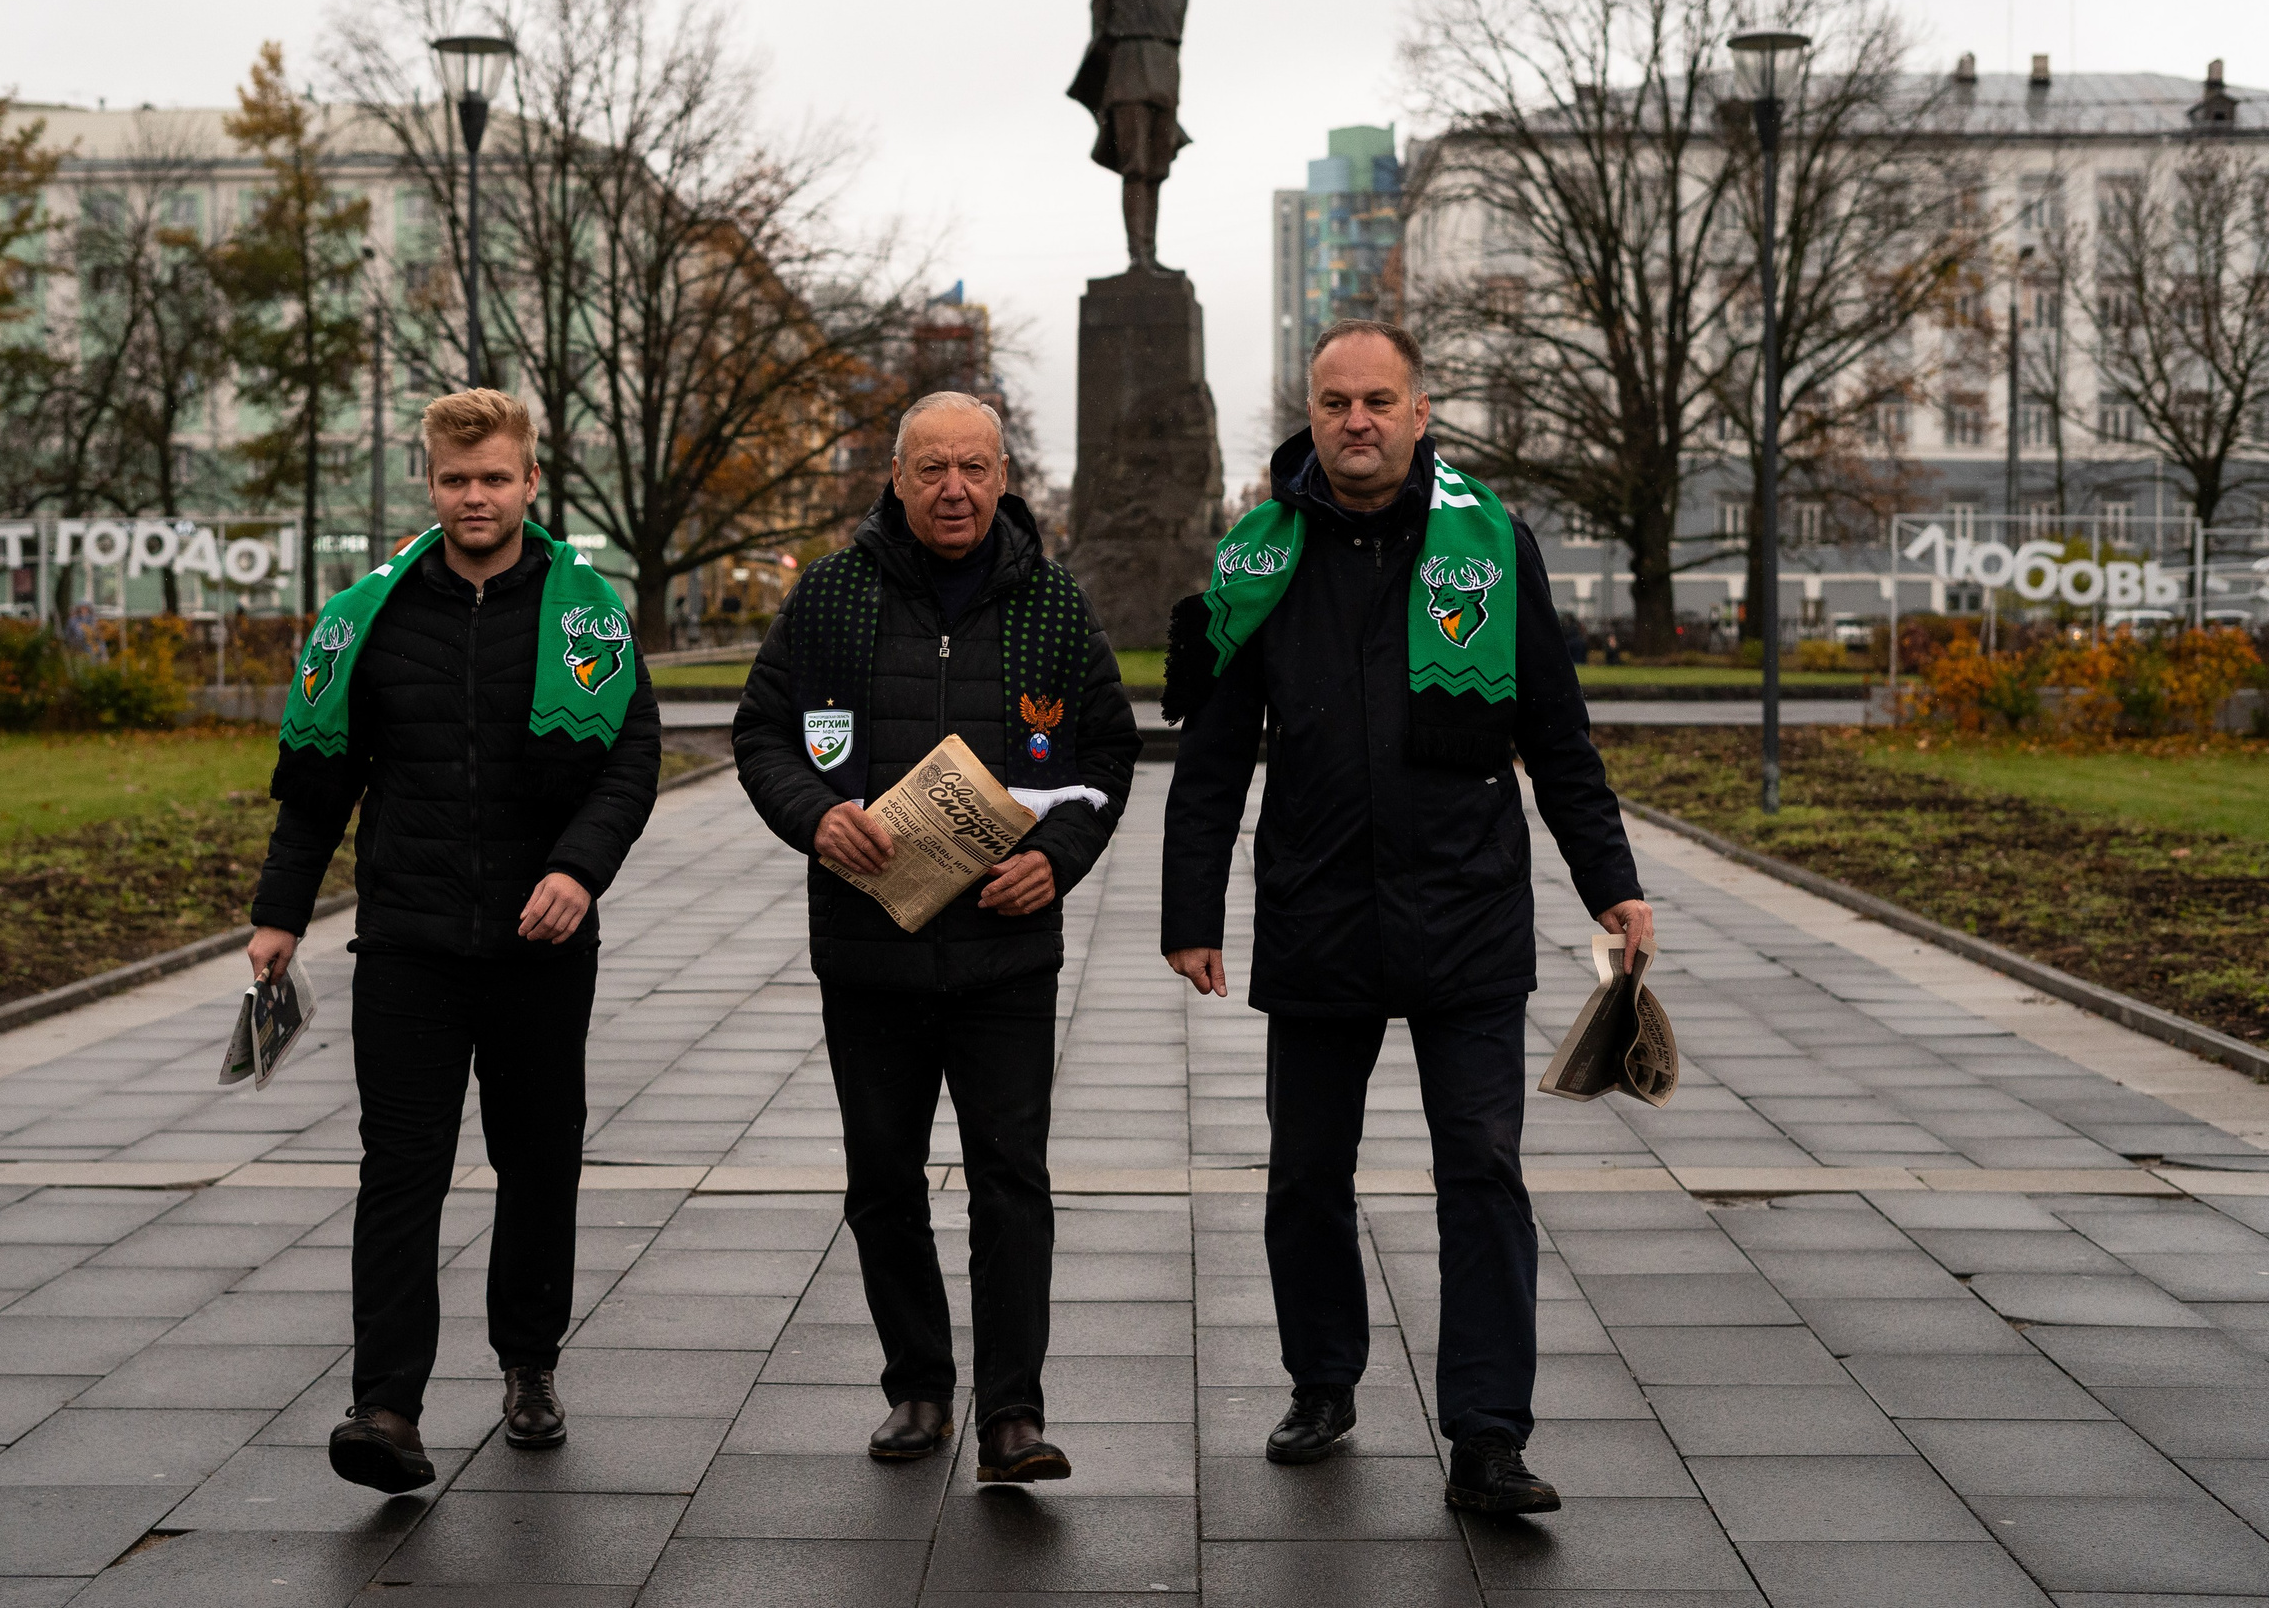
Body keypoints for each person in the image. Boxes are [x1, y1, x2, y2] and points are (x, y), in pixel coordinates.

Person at [1158, 320, 1651, 1517]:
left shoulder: (1491, 543)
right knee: (1305, 1174)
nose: (1357, 421)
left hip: (1466, 912)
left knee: (1481, 1171)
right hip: (1318, 907)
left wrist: (1610, 879)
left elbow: (1555, 732)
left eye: (1380, 400)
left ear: (1421, 412)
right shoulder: (1256, 559)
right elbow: (1214, 754)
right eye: (1335, 402)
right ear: (1312, 414)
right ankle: (1322, 1381)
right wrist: (1190, 909)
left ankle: (1487, 1436)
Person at [245, 388, 662, 1494]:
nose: (474, 497)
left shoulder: (588, 615)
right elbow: (316, 781)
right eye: (453, 479)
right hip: (407, 945)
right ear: (428, 485)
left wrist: (579, 869)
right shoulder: (366, 617)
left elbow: (629, 762)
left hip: (541, 948)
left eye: (494, 478)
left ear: (531, 482)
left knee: (536, 1166)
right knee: (401, 1172)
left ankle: (528, 1364)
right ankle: (385, 1407)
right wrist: (280, 913)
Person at [733, 391, 1141, 1484]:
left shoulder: (1053, 604)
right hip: (868, 950)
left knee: (1012, 1178)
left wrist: (1056, 861)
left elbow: (1106, 757)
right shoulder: (828, 597)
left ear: (1006, 476)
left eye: (972, 467)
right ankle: (917, 1388)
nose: (952, 489)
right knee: (881, 1179)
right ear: (898, 479)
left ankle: (1013, 1413)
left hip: (1007, 953)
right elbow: (762, 733)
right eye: (930, 470)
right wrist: (813, 816)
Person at [1065, 0, 1193, 271]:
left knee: (1155, 170)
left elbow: (1176, 37)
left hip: (1165, 78)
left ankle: (1150, 253)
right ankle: (1137, 256)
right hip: (1127, 77)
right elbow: (1099, 39)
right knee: (1135, 166)